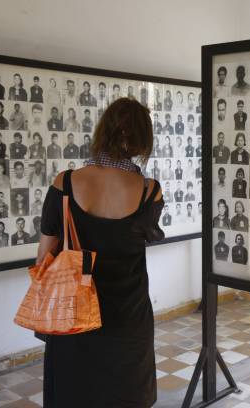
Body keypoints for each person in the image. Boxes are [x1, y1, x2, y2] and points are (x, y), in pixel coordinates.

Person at [34, 98, 164, 406]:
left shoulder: (64, 183)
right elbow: (144, 237)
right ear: (142, 139)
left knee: (73, 391)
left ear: (103, 132)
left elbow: (43, 257)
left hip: (74, 314)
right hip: (128, 316)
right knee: (126, 393)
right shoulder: (149, 191)